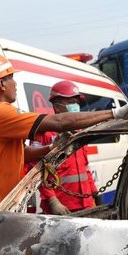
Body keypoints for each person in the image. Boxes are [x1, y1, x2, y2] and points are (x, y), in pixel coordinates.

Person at [0, 51, 128, 211]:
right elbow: (58, 122)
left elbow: (18, 155)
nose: (15, 84)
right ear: (1, 84)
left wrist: (50, 148)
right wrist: (116, 113)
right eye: (11, 78)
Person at [36, 80, 98, 215]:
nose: (75, 106)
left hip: (85, 203)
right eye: (70, 102)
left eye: (76, 102)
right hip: (62, 207)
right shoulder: (46, 133)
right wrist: (53, 201)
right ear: (57, 107)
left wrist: (94, 193)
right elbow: (36, 170)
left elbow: (85, 168)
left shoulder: (81, 131)